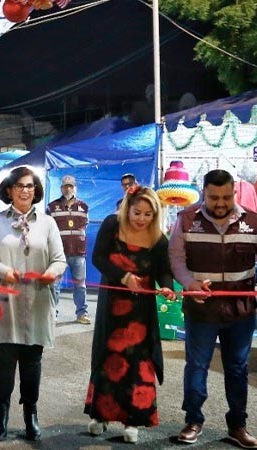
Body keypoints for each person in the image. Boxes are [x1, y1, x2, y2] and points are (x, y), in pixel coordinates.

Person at [168, 169, 257, 449]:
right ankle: (193, 421)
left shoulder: (253, 221)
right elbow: (176, 257)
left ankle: (237, 426)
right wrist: (188, 282)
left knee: (237, 368)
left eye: (225, 196)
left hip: (241, 311)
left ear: (234, 192)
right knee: (197, 366)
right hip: (201, 311)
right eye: (213, 197)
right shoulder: (186, 220)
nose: (220, 203)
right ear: (203, 193)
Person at [0, 166, 67, 441]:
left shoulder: (48, 223)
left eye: (30, 186)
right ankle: (0, 416)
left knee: (32, 360)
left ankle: (31, 414)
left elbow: (60, 258)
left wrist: (53, 272)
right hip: (4, 299)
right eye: (19, 186)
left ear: (36, 190)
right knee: (3, 359)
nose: (25, 191)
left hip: (37, 299)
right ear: (9, 190)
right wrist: (3, 270)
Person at [85, 185, 175, 443]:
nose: (142, 219)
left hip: (141, 312)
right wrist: (123, 277)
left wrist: (166, 287)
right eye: (137, 212)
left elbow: (163, 270)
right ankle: (100, 416)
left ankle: (132, 419)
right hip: (112, 307)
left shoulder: (158, 238)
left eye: (148, 214)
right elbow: (99, 258)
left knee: (138, 363)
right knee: (107, 359)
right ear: (128, 209)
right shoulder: (111, 224)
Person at [47, 174, 91, 324]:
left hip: (78, 253)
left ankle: (82, 313)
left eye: (71, 186)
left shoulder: (84, 207)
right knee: (54, 285)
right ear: (61, 188)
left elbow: (85, 226)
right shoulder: (52, 207)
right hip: (59, 253)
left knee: (80, 285)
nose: (68, 189)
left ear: (75, 188)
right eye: (65, 186)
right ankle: (53, 314)